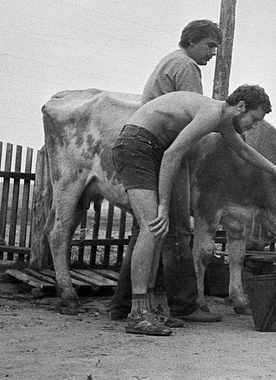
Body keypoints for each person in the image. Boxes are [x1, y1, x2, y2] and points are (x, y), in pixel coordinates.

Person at [112, 86, 276, 335]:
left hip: (151, 148)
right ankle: (137, 314)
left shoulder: (223, 120)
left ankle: (148, 309)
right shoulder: (212, 113)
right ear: (241, 107)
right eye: (254, 119)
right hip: (137, 146)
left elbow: (243, 150)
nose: (254, 126)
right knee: (152, 226)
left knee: (158, 231)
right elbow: (173, 154)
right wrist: (163, 206)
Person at [110, 20, 225, 326]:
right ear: (192, 41)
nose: (213, 53)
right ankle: (184, 304)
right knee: (175, 229)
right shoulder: (187, 66)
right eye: (210, 45)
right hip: (164, 149)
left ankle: (123, 305)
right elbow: (193, 126)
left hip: (150, 144)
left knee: (146, 230)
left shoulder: (170, 60)